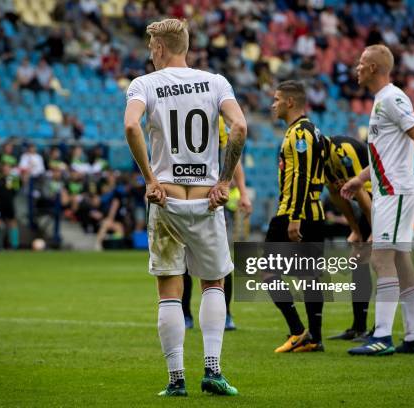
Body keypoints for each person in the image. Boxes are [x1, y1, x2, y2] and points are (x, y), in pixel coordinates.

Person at [124, 18, 246, 397]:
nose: (149, 53)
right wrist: (224, 180)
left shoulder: (144, 84)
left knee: (170, 291)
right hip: (207, 199)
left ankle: (176, 380)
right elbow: (239, 127)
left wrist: (150, 179)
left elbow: (131, 126)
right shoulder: (216, 82)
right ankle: (212, 370)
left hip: (167, 199)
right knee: (213, 283)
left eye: (151, 47)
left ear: (160, 47)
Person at [342, 44, 414, 356]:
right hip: (389, 189)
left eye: (361, 63)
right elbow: (384, 153)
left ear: (374, 68)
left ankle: (383, 336)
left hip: (395, 191)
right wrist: (360, 178)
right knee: (400, 260)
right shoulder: (380, 102)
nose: (356, 67)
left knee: (380, 258)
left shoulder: (392, 97)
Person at [264, 81, 326, 353]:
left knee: (266, 270)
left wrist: (295, 217)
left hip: (293, 212)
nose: (273, 104)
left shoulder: (300, 133)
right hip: (313, 212)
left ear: (290, 102)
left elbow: (300, 175)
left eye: (276, 99)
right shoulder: (313, 130)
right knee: (311, 275)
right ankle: (314, 338)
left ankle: (297, 330)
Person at [182, 118, 252, 332]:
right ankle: (185, 314)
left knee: (221, 261)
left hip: (210, 199)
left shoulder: (216, 119)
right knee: (182, 260)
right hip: (181, 196)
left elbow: (232, 155)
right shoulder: (174, 110)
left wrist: (242, 191)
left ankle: (226, 313)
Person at [323, 136, 374, 341]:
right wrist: (355, 229)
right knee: (358, 262)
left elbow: (359, 188)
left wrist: (373, 230)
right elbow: (337, 195)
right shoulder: (321, 160)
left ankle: (380, 330)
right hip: (365, 201)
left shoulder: (342, 150)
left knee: (379, 261)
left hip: (380, 197)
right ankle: (359, 327)